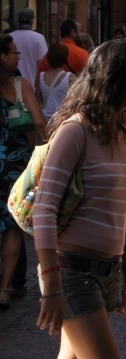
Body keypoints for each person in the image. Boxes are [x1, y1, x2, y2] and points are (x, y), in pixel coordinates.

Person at [32, 41, 126, 358]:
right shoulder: (75, 131)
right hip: (71, 273)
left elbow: (122, 212)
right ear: (116, 82)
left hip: (106, 273)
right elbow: (43, 212)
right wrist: (51, 286)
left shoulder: (122, 135)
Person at [0, 35, 47, 308]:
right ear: (3, 58)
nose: (18, 56)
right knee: (11, 225)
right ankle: (5, 287)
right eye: (13, 53)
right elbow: (39, 120)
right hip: (14, 164)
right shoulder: (21, 85)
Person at [36, 42, 77, 122]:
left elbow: (37, 98)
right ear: (65, 59)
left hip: (45, 119)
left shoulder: (41, 76)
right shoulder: (71, 78)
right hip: (61, 119)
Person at [10, 8, 48, 87]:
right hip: (32, 85)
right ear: (32, 21)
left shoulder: (10, 37)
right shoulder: (39, 38)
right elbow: (42, 64)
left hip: (12, 86)